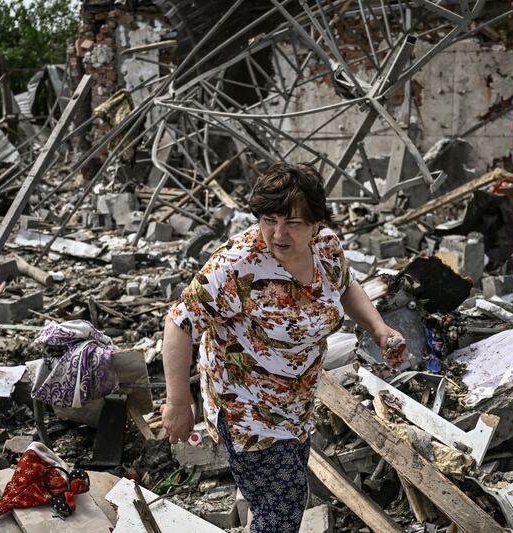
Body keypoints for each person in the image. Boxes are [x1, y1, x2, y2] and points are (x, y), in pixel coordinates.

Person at [161, 162, 403, 533]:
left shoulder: (326, 248)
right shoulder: (236, 266)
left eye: (292, 223)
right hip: (247, 410)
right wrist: (179, 401)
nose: (278, 233)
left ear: (315, 223)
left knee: (273, 502)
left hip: (297, 404)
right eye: (269, 219)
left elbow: (346, 285)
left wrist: (378, 327)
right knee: (282, 509)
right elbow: (179, 323)